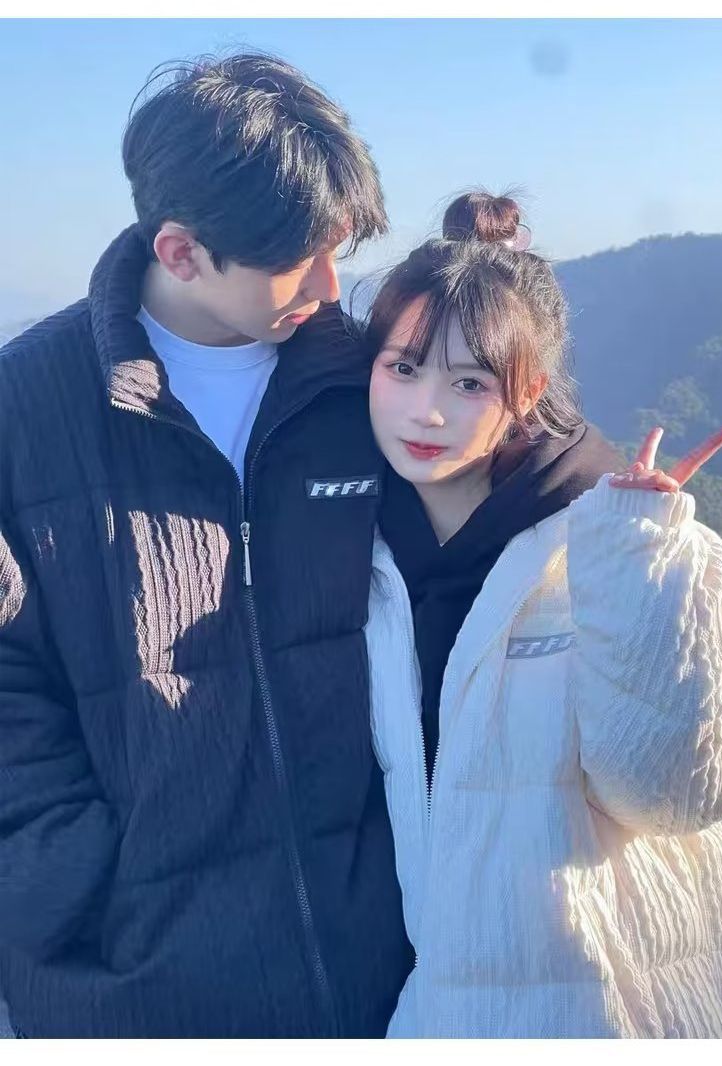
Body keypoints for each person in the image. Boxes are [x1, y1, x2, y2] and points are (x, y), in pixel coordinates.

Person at [0, 51, 415, 1038]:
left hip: (383, 977)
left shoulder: (363, 385)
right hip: (135, 994)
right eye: (299, 258)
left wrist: (614, 503)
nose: (332, 285)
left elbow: (494, 496)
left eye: (339, 247)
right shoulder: (24, 409)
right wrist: (78, 879)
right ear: (181, 251)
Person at [363, 191, 722, 1037]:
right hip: (441, 1016)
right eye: (403, 368)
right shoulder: (357, 556)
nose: (427, 409)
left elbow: (685, 791)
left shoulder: (623, 541)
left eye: (470, 381)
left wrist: (642, 557)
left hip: (619, 1017)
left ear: (528, 393)